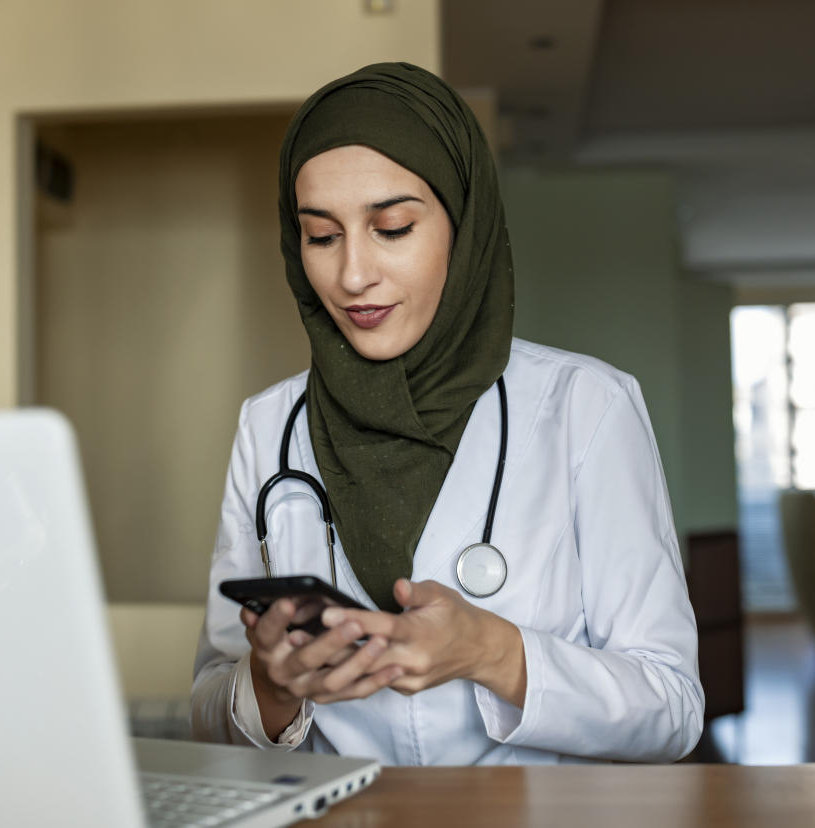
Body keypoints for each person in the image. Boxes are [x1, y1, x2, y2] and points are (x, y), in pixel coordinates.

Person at [190, 62, 704, 765]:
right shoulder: (269, 425)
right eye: (320, 235)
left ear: (464, 225)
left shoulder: (585, 407)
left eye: (392, 227)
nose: (352, 275)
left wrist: (493, 653)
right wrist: (272, 688)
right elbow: (208, 712)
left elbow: (673, 711)